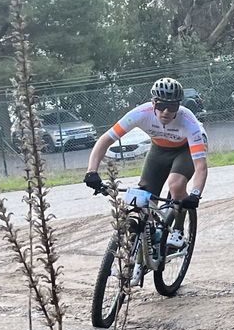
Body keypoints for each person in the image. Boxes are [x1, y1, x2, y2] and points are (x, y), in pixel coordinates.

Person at [83, 77, 208, 249]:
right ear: (152, 103)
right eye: (160, 105)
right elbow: (105, 140)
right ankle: (149, 239)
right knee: (142, 199)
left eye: (172, 107)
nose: (165, 111)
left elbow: (200, 166)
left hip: (185, 149)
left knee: (176, 185)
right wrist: (92, 172)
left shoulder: (188, 121)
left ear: (178, 106)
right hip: (159, 148)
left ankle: (178, 231)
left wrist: (195, 194)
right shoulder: (141, 113)